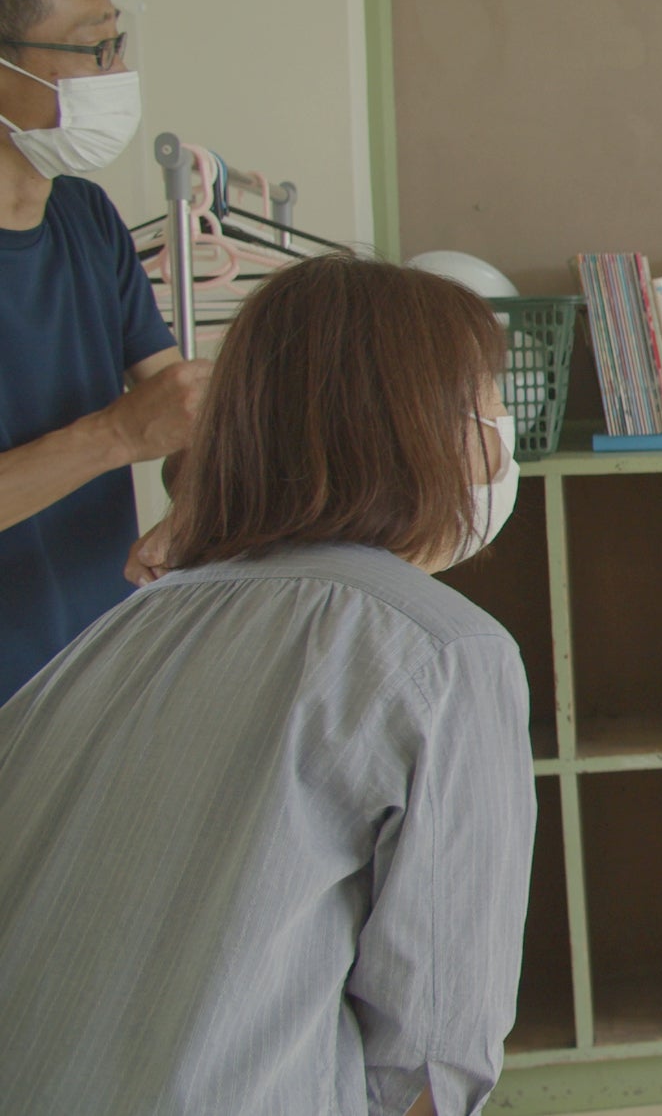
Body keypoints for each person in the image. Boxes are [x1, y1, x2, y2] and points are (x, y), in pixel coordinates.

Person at [0, 253, 537, 1116]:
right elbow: (432, 1063)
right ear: (426, 430)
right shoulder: (442, 652)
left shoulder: (116, 632)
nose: (505, 437)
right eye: (493, 405)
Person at [0, 0, 213, 700]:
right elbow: (135, 425)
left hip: (90, 679)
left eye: (118, 43)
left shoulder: (85, 218)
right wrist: (116, 435)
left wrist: (195, 501)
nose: (116, 75)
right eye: (94, 51)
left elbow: (177, 405)